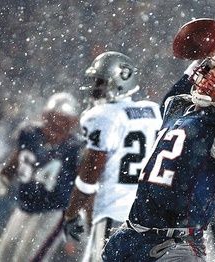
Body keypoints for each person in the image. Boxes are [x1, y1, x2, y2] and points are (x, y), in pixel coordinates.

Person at [102, 50, 215, 262]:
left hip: (176, 244)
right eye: (208, 73)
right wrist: (200, 55)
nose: (208, 82)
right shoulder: (178, 107)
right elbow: (173, 95)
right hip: (130, 236)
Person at [62, 51, 162, 261]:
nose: (95, 89)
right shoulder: (153, 112)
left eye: (100, 82)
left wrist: (71, 213)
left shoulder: (103, 117)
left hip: (115, 215)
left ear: (120, 82)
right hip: (150, 217)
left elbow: (90, 176)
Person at [0, 92, 83, 262]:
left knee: (28, 259)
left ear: (73, 123)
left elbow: (84, 185)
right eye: (53, 118)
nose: (56, 124)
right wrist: (3, 177)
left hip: (52, 211)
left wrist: (77, 217)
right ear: (44, 116)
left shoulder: (75, 148)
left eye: (63, 121)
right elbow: (14, 163)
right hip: (24, 206)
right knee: (4, 257)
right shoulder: (30, 134)